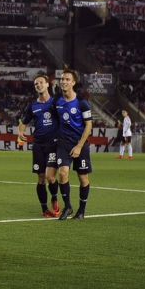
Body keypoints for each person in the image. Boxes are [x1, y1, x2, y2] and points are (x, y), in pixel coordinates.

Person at [18, 74, 60, 218]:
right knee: (41, 178)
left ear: (47, 84)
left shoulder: (56, 103)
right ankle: (44, 210)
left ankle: (54, 197)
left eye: (41, 83)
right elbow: (24, 122)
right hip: (38, 145)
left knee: (51, 177)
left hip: (53, 144)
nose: (39, 85)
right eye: (36, 84)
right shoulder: (32, 106)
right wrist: (21, 132)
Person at [53, 69, 93, 220]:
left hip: (80, 144)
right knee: (63, 173)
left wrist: (79, 146)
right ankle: (68, 206)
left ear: (73, 83)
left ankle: (81, 211)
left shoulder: (82, 103)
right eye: (62, 79)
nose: (63, 81)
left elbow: (88, 126)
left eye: (67, 79)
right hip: (63, 143)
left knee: (83, 178)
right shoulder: (57, 101)